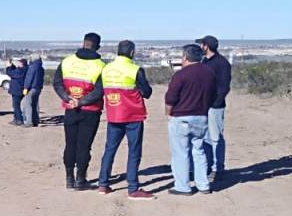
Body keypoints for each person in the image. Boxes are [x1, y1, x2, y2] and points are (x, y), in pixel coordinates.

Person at [96, 41, 155, 200]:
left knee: (110, 149)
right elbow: (147, 92)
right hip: (133, 115)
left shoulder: (106, 69)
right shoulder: (135, 69)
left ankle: (103, 184)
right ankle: (133, 188)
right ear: (132, 52)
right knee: (134, 151)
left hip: (114, 114)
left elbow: (101, 89)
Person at [54, 32, 105, 189]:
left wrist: (68, 99)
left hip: (70, 109)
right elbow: (99, 91)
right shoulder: (101, 66)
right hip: (90, 110)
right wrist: (81, 101)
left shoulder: (67, 62)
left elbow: (57, 84)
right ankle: (80, 179)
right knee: (84, 146)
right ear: (97, 47)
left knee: (70, 144)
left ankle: (69, 178)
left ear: (83, 43)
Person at [164, 44, 216, 196]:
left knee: (180, 152)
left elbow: (171, 97)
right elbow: (214, 94)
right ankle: (203, 184)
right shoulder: (210, 73)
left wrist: (168, 113)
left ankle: (182, 186)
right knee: (199, 151)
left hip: (181, 117)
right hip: (201, 116)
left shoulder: (181, 74)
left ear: (185, 57)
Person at [198, 35, 231, 183]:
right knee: (206, 138)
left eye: (201, 44)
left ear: (206, 46)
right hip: (203, 105)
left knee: (216, 137)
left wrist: (215, 102)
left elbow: (224, 87)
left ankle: (218, 169)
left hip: (215, 107)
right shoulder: (205, 61)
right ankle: (208, 167)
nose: (200, 47)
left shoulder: (221, 63)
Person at [21, 56, 44, 127]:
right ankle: (35, 121)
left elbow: (29, 78)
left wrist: (25, 88)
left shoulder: (32, 67)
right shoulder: (41, 68)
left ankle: (29, 122)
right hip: (38, 88)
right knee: (35, 105)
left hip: (31, 88)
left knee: (28, 105)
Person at [6, 58, 27, 126]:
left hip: (17, 90)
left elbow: (11, 73)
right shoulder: (25, 69)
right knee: (15, 105)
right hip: (19, 90)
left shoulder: (21, 70)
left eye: (19, 62)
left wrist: (8, 66)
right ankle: (16, 119)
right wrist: (11, 65)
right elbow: (15, 71)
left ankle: (19, 120)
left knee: (16, 106)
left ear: (22, 64)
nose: (18, 63)